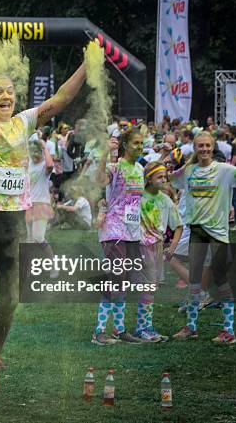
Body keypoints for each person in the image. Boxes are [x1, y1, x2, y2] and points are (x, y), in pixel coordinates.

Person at [0, 36, 86, 393]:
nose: (6, 97)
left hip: (14, 228)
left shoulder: (24, 122)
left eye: (10, 92)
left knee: (11, 300)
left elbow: (62, 99)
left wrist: (89, 63)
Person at [171, 132, 236, 344]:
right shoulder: (189, 171)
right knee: (194, 280)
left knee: (220, 279)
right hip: (197, 232)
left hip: (218, 234)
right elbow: (169, 178)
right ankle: (191, 327)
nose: (204, 149)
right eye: (200, 146)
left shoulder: (225, 170)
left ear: (213, 147)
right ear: (195, 148)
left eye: (207, 146)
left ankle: (229, 332)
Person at [92, 128, 145, 345]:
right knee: (115, 279)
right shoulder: (116, 167)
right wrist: (105, 153)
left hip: (132, 231)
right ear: (125, 145)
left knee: (122, 281)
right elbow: (99, 179)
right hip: (113, 230)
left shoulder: (140, 168)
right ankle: (99, 331)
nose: (140, 147)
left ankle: (120, 329)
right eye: (135, 143)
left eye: (141, 143)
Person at [135, 161, 183, 342]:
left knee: (150, 289)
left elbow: (178, 226)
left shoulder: (165, 200)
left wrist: (172, 247)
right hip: (139, 246)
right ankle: (140, 328)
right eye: (159, 177)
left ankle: (143, 327)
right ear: (148, 179)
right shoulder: (138, 197)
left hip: (156, 247)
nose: (164, 180)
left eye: (165, 176)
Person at [26, 139, 54, 243]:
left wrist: (44, 146)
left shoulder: (44, 165)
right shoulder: (29, 165)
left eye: (37, 151)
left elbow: (50, 165)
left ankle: (50, 259)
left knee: (38, 238)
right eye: (32, 151)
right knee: (29, 239)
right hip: (29, 205)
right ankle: (31, 259)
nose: (34, 154)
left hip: (41, 204)